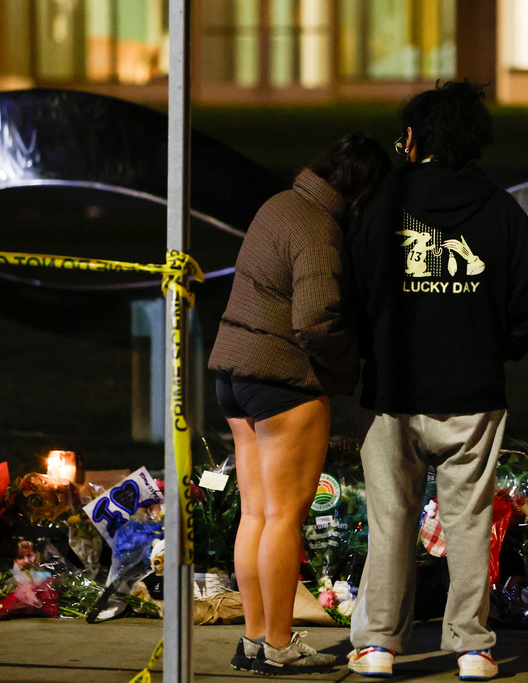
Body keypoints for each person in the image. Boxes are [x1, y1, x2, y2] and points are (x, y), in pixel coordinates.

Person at [345, 80, 528, 681]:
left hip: (390, 395)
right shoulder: (502, 208)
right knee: (469, 521)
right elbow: (527, 298)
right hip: (474, 392)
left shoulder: (380, 204)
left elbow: (352, 291)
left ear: (413, 139)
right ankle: (473, 648)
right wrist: (498, 350)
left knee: (391, 521)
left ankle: (378, 645)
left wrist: (367, 351)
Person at [207, 132, 390, 676]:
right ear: (361, 190)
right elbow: (315, 319)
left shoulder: (279, 205)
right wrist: (347, 367)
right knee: (285, 517)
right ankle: (281, 644)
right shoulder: (318, 229)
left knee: (257, 514)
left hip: (234, 377)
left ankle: (256, 640)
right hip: (285, 381)